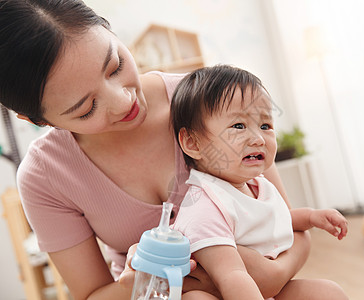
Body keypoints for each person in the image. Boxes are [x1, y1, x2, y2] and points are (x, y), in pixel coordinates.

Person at [0, 1, 312, 299]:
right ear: (36, 119)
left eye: (115, 66)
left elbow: (287, 223)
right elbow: (91, 294)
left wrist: (272, 275)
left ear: (109, 31)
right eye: (86, 108)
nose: (124, 101)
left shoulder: (209, 103)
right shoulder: (46, 175)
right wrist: (138, 284)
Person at [170, 65, 349, 300]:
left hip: (264, 289)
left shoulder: (257, 185)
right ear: (193, 143)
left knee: (328, 292)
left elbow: (273, 219)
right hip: (228, 291)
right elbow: (232, 275)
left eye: (265, 126)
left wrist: (311, 217)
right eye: (238, 126)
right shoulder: (205, 206)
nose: (257, 138)